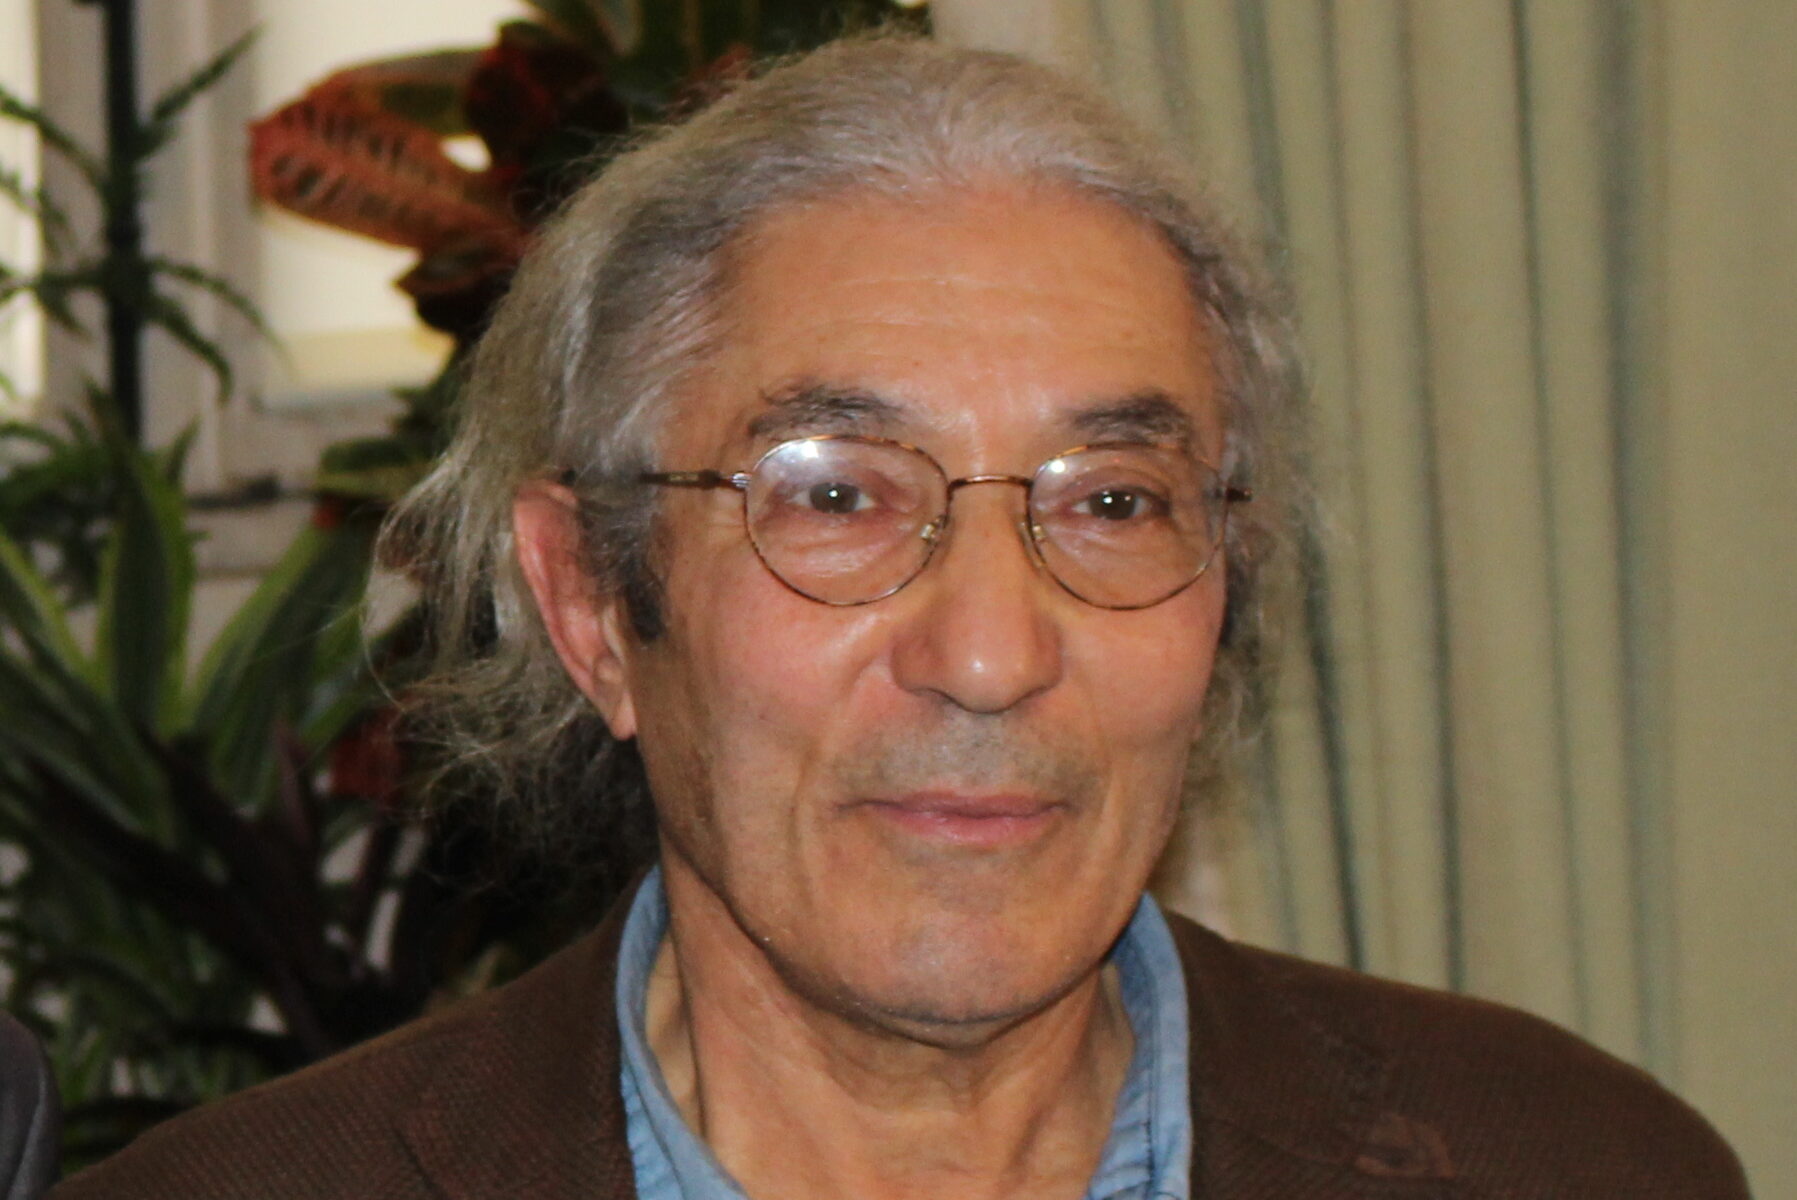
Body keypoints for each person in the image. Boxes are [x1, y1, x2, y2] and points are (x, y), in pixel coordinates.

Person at [54, 35, 1747, 1200]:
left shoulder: (1576, 1163)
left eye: (1110, 500)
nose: (994, 653)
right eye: (838, 495)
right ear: (587, 605)